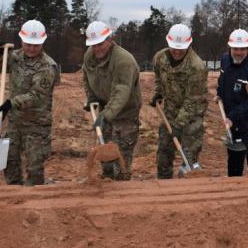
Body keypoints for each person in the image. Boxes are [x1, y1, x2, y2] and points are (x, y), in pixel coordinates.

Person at [0, 20, 60, 185]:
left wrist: (11, 103)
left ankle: (36, 199)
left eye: (36, 45)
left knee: (34, 168)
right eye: (28, 44)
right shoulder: (14, 57)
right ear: (22, 40)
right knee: (10, 162)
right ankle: (14, 197)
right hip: (16, 121)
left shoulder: (48, 66)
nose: (32, 48)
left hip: (37, 124)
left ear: (43, 42)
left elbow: (37, 96)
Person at [82, 20, 142, 180]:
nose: (97, 49)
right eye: (93, 45)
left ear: (109, 39)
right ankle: (106, 184)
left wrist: (105, 115)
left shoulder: (124, 61)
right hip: (105, 109)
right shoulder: (90, 56)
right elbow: (86, 77)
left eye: (100, 44)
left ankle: (122, 191)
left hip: (125, 114)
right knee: (105, 156)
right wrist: (91, 97)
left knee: (121, 158)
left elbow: (121, 93)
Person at [151, 24, 208, 179]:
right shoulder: (160, 58)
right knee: (164, 151)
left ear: (189, 44)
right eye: (173, 47)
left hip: (192, 115)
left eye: (180, 48)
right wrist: (158, 93)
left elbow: (192, 100)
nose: (176, 51)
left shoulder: (197, 67)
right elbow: (158, 76)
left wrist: (178, 125)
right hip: (170, 111)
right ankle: (163, 185)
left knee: (188, 156)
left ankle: (187, 188)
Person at [217, 29, 248, 177]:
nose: (238, 52)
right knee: (234, 160)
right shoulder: (225, 60)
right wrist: (219, 94)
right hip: (232, 122)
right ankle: (235, 188)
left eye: (242, 49)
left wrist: (232, 116)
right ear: (230, 48)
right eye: (235, 49)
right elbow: (222, 80)